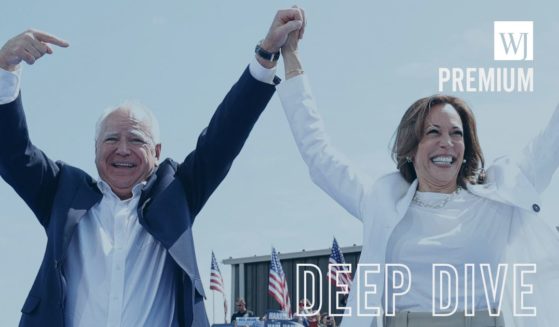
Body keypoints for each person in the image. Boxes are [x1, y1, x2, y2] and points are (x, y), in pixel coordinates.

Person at [0, 8, 305, 327]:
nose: (122, 149)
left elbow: (223, 138)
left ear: (157, 152)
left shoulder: (178, 193)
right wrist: (5, 68)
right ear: (94, 150)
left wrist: (266, 53)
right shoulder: (61, 191)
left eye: (135, 139)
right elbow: (12, 152)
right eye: (111, 139)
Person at [275, 8, 559, 327]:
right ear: (410, 149)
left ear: (466, 149)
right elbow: (318, 154)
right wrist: (290, 54)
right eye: (433, 132)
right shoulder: (380, 200)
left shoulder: (497, 200)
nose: (446, 143)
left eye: (456, 134)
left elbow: (552, 141)